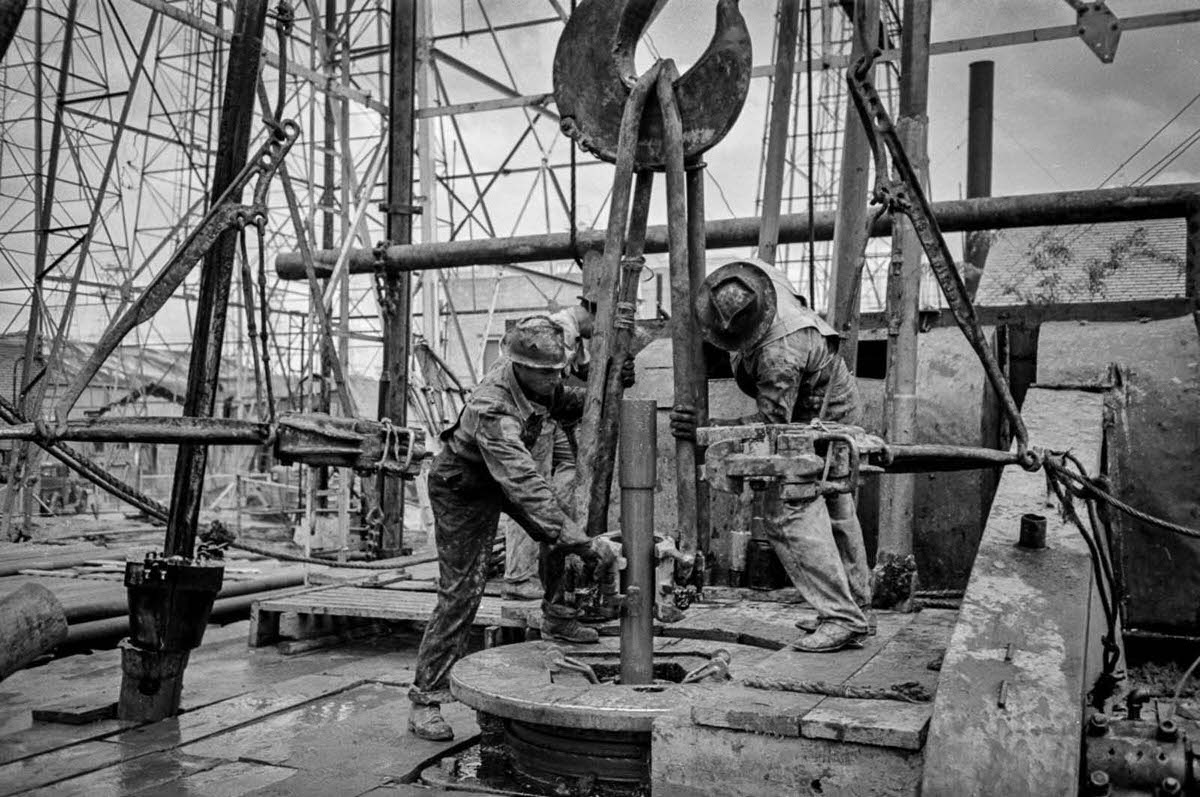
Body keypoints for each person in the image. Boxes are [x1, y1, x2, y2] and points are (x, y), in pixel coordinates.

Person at [408, 316, 603, 741]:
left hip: (504, 478)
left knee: (559, 536)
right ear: (517, 365)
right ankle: (425, 698)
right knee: (463, 590)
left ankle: (558, 616)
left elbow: (565, 400)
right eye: (545, 373)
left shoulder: (539, 379)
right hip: (463, 488)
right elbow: (526, 484)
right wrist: (580, 540)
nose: (554, 380)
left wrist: (604, 386)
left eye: (558, 371)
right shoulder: (492, 407)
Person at [669, 258, 872, 653]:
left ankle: (841, 617)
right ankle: (858, 607)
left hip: (820, 419)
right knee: (837, 510)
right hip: (820, 407)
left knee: (789, 513)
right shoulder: (749, 279)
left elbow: (768, 425)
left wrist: (706, 428)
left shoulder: (778, 354)